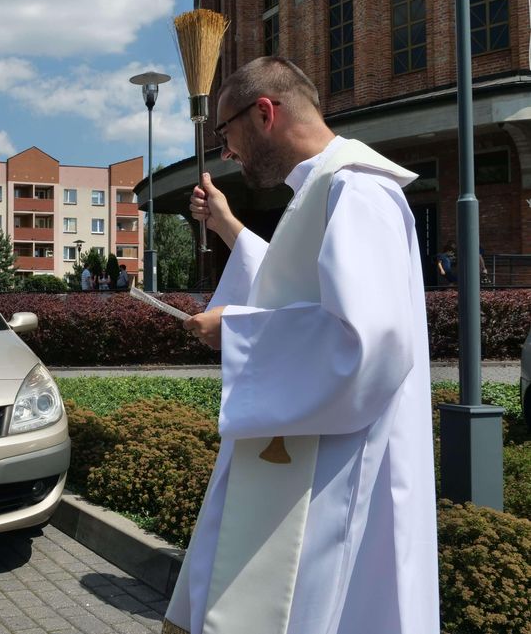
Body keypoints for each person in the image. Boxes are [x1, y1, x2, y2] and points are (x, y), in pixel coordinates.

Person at [171, 56, 437, 634]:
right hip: (317, 452)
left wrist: (238, 332)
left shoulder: (356, 190)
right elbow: (293, 285)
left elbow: (368, 339)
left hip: (341, 466)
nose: (226, 152)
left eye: (226, 132)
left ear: (264, 113)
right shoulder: (325, 188)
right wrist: (227, 227)